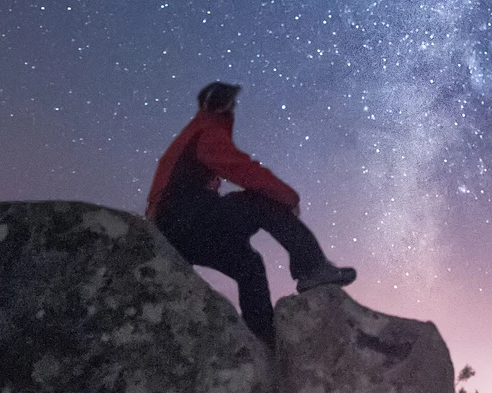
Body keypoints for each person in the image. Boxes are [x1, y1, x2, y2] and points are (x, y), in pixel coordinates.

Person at [147, 81, 355, 345]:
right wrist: (287, 196)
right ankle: (312, 267)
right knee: (261, 202)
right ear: (226, 107)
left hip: (177, 230)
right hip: (183, 219)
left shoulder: (192, 134)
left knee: (248, 264)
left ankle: (262, 339)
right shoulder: (206, 131)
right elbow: (241, 168)